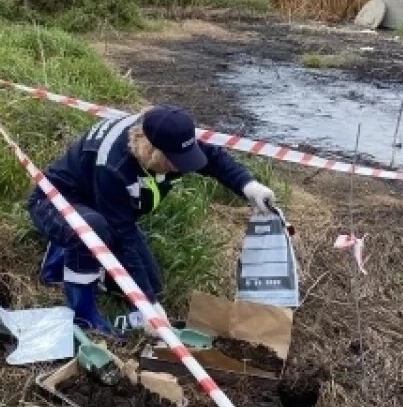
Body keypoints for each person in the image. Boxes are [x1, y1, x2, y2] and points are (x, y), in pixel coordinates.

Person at [28, 105, 276, 331]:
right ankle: (82, 314)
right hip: (55, 201)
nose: (183, 167)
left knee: (153, 286)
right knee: (93, 229)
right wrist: (147, 305)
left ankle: (79, 261)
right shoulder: (114, 166)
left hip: (102, 206)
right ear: (153, 153)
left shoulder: (168, 132)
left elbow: (213, 158)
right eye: (177, 162)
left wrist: (248, 186)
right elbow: (123, 234)